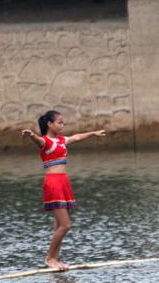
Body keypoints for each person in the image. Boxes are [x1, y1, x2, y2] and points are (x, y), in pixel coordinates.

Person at [22, 110, 105, 270]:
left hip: (63, 181)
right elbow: (38, 140)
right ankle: (49, 258)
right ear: (49, 124)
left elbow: (76, 137)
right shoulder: (46, 142)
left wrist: (93, 133)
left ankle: (55, 260)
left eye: (63, 123)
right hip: (53, 183)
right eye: (59, 123)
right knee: (66, 225)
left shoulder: (61, 140)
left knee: (58, 224)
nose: (62, 125)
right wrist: (31, 135)